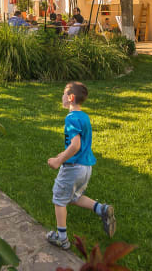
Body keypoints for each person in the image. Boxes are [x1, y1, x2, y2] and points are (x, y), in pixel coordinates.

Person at [46, 81, 115, 250]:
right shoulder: (84, 116)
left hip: (73, 167)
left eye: (63, 94)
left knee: (59, 199)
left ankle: (62, 238)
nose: (62, 96)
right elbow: (79, 145)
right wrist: (62, 154)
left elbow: (75, 145)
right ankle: (102, 209)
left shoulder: (71, 118)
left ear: (70, 98)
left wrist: (58, 161)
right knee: (74, 196)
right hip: (86, 167)